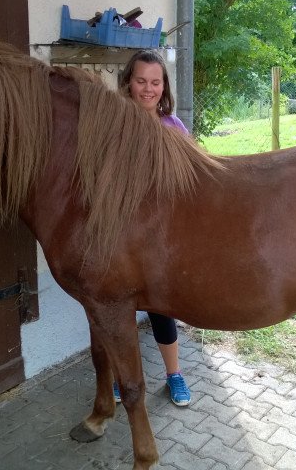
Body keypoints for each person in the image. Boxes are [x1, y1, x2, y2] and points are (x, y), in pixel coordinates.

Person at [115, 49, 191, 406]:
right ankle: (122, 379)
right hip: (120, 240)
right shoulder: (112, 126)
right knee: (119, 312)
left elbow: (194, 181)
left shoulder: (174, 128)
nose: (148, 89)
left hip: (161, 240)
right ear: (128, 82)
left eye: (156, 82)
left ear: (164, 86)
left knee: (162, 310)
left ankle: (174, 375)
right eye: (141, 81)